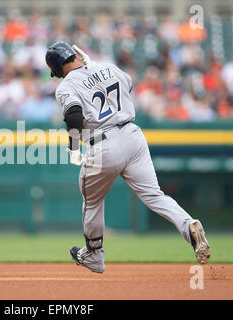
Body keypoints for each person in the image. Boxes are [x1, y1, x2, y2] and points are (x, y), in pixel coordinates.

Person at [45, 42, 210, 273]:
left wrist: (73, 148)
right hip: (133, 136)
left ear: (58, 69)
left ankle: (93, 255)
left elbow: (73, 116)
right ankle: (188, 225)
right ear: (75, 55)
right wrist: (95, 73)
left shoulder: (66, 87)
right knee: (154, 195)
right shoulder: (108, 67)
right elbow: (128, 86)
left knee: (92, 202)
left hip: (103, 144)